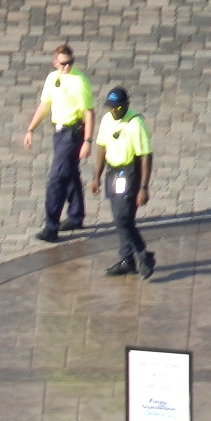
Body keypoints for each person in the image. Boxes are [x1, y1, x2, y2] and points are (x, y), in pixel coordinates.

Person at [24, 43, 94, 241]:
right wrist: (30, 129)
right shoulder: (52, 78)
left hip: (73, 133)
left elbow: (89, 113)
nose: (67, 67)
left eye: (70, 63)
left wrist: (88, 141)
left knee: (56, 178)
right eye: (63, 64)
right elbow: (44, 106)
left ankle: (51, 226)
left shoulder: (79, 82)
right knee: (69, 172)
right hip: (59, 132)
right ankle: (76, 215)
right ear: (55, 63)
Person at [90, 86, 155, 279]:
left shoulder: (136, 124)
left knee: (122, 218)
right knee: (120, 218)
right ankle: (128, 260)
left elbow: (146, 156)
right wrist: (97, 176)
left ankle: (144, 255)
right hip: (113, 173)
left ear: (126, 105)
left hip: (129, 174)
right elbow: (102, 147)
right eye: (111, 107)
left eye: (117, 108)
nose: (113, 111)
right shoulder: (107, 120)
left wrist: (144, 187)